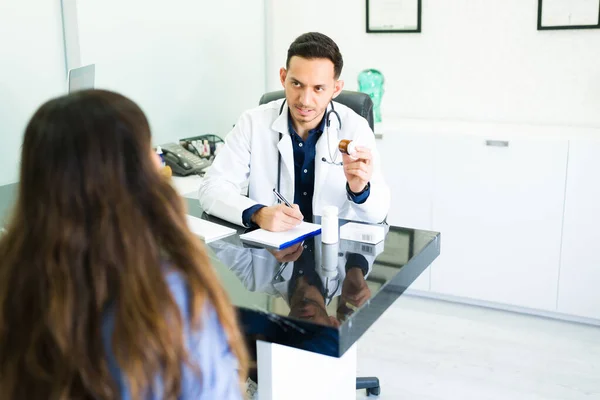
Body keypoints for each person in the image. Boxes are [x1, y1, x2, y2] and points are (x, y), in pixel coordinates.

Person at [0, 90, 248, 399]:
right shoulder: (168, 299)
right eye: (149, 151)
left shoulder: (14, 278)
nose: (159, 162)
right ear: (126, 177)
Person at [199, 32, 390, 231]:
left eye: (318, 88)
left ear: (336, 88)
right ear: (283, 77)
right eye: (297, 84)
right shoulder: (253, 122)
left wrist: (360, 190)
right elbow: (212, 188)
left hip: (333, 249)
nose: (305, 100)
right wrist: (258, 213)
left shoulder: (355, 128)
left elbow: (378, 214)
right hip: (271, 249)